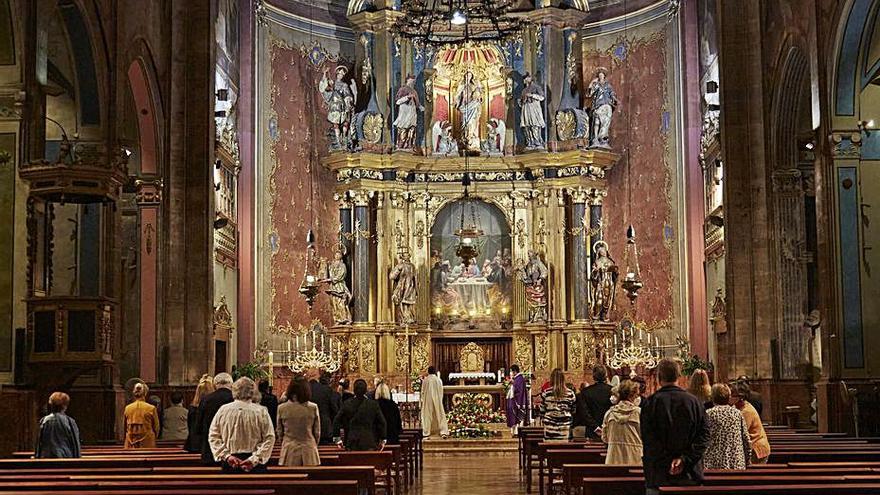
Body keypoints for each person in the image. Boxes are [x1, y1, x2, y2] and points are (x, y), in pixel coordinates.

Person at [640, 358, 710, 495]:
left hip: (659, 474)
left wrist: (668, 461)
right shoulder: (694, 402)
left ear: (659, 377)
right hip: (690, 475)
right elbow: (704, 437)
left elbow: (648, 439)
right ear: (679, 376)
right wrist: (684, 459)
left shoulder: (651, 403)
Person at [209, 377, 275, 473]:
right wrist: (254, 459)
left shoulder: (223, 410)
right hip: (254, 464)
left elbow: (213, 436)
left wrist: (227, 456)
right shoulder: (260, 411)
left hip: (230, 462)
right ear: (253, 391)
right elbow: (269, 438)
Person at [276, 377, 320, 466]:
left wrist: (284, 442)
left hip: (289, 449)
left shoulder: (282, 408)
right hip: (309, 449)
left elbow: (279, 431)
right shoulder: (313, 407)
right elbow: (317, 432)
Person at [705, 383, 750, 470]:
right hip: (736, 464)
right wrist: (747, 459)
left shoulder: (708, 414)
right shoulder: (737, 413)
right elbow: (746, 440)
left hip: (713, 464)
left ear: (712, 397)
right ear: (728, 397)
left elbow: (702, 439)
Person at [333, 379, 388, 450]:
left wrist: (337, 439)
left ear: (354, 390)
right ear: (366, 390)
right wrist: (382, 439)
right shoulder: (373, 405)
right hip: (369, 441)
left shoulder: (347, 403)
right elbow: (382, 422)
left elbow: (336, 420)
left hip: (351, 441)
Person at [195, 372, 234, 464]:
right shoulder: (235, 399)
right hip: (231, 449)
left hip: (210, 449)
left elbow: (198, 426)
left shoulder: (206, 400)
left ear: (215, 384)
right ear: (231, 384)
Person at [601, 380, 642, 465]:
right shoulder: (639, 413)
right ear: (633, 395)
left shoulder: (610, 413)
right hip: (635, 458)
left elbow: (605, 438)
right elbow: (647, 436)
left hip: (613, 458)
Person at [731, 381, 770, 464]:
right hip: (753, 447)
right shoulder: (739, 407)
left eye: (732, 395)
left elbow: (740, 432)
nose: (729, 397)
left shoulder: (746, 411)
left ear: (740, 397)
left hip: (757, 448)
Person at [35, 392, 81, 458]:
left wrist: (37, 457)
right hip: (66, 457)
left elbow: (39, 443)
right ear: (65, 406)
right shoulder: (69, 421)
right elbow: (75, 443)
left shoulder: (44, 420)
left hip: (46, 458)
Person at [539, 368, 577, 441]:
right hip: (565, 429)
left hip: (549, 429)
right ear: (563, 379)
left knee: (550, 449)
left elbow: (542, 411)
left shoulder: (546, 393)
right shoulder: (570, 393)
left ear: (552, 379)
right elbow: (574, 410)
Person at [579, 365, 613, 440]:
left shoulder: (586, 392)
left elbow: (584, 413)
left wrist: (595, 427)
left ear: (594, 376)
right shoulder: (612, 391)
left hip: (592, 431)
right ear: (605, 376)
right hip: (609, 429)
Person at [124, 382, 160, 449]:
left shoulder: (128, 408)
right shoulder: (151, 408)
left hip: (131, 443)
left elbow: (125, 427)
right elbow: (156, 428)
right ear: (145, 393)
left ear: (133, 393)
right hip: (148, 443)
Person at [185, 374, 214, 453]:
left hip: (193, 445)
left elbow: (190, 428)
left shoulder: (193, 409)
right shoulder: (213, 408)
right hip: (208, 446)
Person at [309, 370, 339, 445]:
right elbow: (333, 408)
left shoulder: (304, 390)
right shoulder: (326, 389)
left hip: (308, 427)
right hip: (325, 427)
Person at [420, 366, 449, 438]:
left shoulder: (425, 380)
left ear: (428, 371)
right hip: (437, 399)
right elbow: (440, 390)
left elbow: (422, 392)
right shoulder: (438, 380)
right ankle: (443, 430)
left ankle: (427, 431)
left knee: (427, 414)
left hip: (427, 400)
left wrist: (422, 400)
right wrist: (440, 399)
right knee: (439, 413)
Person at [506, 364, 528, 436]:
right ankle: (514, 431)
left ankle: (517, 431)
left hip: (517, 401)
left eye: (511, 372)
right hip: (513, 400)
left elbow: (519, 390)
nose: (510, 373)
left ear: (515, 371)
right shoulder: (516, 378)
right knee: (512, 414)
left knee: (516, 415)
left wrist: (513, 385)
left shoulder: (519, 379)